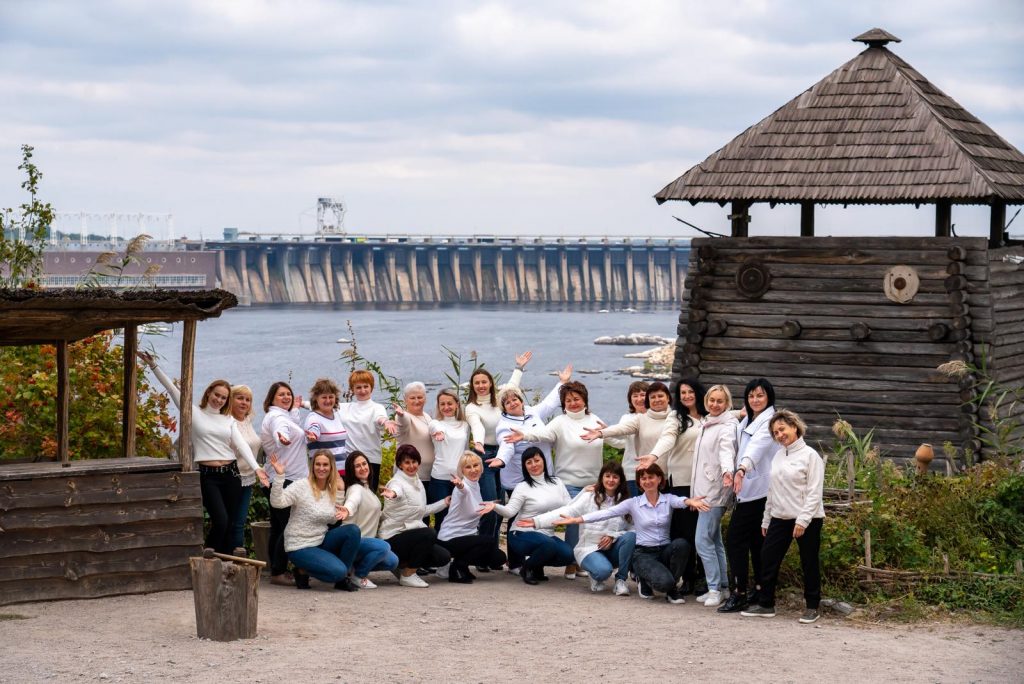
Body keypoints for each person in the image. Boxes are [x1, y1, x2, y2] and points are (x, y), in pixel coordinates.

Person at [138, 352, 268, 555]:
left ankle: (224, 562)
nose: (219, 400)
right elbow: (172, 389)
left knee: (231, 522)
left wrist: (257, 468)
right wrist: (153, 365)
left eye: (223, 398)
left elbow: (241, 445)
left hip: (231, 473)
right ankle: (207, 556)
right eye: (217, 395)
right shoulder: (193, 412)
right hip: (209, 476)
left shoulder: (228, 420)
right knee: (221, 520)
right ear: (208, 393)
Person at [552, 463, 709, 604]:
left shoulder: (668, 499)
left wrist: (690, 501)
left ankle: (671, 588)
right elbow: (606, 513)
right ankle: (646, 579)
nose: (647, 481)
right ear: (639, 482)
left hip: (664, 550)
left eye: (651, 477)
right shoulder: (633, 503)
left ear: (659, 479)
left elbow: (681, 501)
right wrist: (577, 519)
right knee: (663, 582)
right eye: (643, 478)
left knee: (682, 544)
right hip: (644, 554)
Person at [504, 380, 614, 579]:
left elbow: (614, 439)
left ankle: (584, 560)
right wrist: (524, 435)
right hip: (569, 481)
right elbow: (542, 434)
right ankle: (571, 563)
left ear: (585, 400)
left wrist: (609, 432)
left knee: (590, 523)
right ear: (563, 404)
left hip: (594, 483)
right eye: (568, 400)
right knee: (573, 523)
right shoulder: (560, 422)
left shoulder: (594, 420)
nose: (573, 403)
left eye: (576, 399)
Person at [742, 409, 825, 624]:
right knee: (767, 558)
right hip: (780, 517)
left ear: (794, 427)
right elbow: (772, 490)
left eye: (782, 429)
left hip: (808, 518)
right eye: (775, 433)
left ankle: (812, 606)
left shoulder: (810, 456)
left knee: (809, 562)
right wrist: (766, 519)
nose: (779, 435)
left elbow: (814, 492)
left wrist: (803, 520)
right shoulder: (778, 455)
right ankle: (766, 604)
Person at [491, 364, 570, 570]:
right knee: (517, 516)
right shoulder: (504, 425)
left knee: (537, 514)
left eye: (515, 399)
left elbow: (550, 403)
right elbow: (507, 446)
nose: (512, 403)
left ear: (521, 399)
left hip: (541, 474)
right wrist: (501, 460)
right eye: (507, 402)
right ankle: (515, 563)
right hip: (518, 478)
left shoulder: (532, 412)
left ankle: (537, 556)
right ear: (503, 407)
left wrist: (562, 383)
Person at [526, 462, 636, 595]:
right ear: (601, 478)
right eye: (607, 476)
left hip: (613, 549)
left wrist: (613, 536)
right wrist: (537, 521)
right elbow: (568, 510)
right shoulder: (590, 496)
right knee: (603, 572)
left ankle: (621, 581)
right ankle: (595, 573)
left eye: (615, 477)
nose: (611, 480)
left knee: (631, 537)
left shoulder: (626, 502)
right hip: (589, 549)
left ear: (620, 480)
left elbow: (633, 529)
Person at [464, 351, 530, 564]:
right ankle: (483, 555)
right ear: (472, 386)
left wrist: (519, 367)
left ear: (491, 383)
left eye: (484, 382)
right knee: (490, 506)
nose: (481, 386)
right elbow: (477, 426)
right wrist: (478, 442)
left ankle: (492, 553)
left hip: (504, 454)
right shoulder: (471, 407)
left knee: (500, 507)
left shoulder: (499, 399)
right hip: (484, 455)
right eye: (477, 383)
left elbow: (513, 385)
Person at [719, 378, 777, 613]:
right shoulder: (748, 419)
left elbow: (757, 448)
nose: (755, 400)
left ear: (769, 397)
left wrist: (742, 468)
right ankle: (760, 588)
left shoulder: (769, 421)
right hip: (747, 490)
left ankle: (740, 592)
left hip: (758, 490)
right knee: (755, 541)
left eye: (760, 395)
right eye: (751, 396)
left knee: (735, 540)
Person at [644, 377, 707, 593]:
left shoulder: (710, 416)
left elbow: (729, 417)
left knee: (705, 532)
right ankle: (689, 577)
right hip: (682, 481)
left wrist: (741, 413)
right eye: (683, 393)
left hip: (706, 482)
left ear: (698, 393)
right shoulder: (676, 417)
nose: (687, 396)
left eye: (690, 392)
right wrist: (654, 455)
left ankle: (706, 577)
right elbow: (668, 438)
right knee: (686, 533)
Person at [268, 449, 361, 591]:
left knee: (353, 531)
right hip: (299, 546)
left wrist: (341, 491)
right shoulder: (302, 486)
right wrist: (280, 476)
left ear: (331, 468)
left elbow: (332, 520)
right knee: (338, 571)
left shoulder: (331, 489)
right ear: (312, 466)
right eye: (318, 464)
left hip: (320, 540)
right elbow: (277, 503)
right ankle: (302, 570)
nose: (321, 468)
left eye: (325, 465)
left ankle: (342, 580)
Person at [481, 447, 574, 585]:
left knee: (568, 555)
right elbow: (510, 511)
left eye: (537, 460)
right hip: (521, 533)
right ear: (524, 466)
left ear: (544, 461)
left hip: (547, 534)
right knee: (548, 544)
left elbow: (569, 507)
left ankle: (536, 566)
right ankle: (527, 568)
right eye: (529, 462)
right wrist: (494, 506)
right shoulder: (522, 486)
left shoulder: (557, 482)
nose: (534, 465)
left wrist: (585, 493)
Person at [689, 384, 738, 608]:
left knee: (702, 541)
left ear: (727, 403)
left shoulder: (726, 426)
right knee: (715, 540)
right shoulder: (707, 423)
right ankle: (724, 587)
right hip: (704, 491)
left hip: (715, 491)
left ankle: (714, 589)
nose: (715, 404)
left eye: (720, 401)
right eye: (712, 400)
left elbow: (727, 450)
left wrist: (728, 472)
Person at [260, 380, 313, 586]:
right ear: (272, 399)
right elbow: (280, 428)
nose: (286, 397)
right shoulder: (276, 417)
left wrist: (296, 409)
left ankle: (276, 570)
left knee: (278, 527)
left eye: (288, 394)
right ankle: (279, 571)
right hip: (284, 479)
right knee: (289, 526)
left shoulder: (284, 415)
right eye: (281, 394)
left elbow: (290, 423)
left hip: (281, 478)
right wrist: (280, 436)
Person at [378, 445, 452, 587]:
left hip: (409, 535)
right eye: (407, 462)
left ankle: (401, 567)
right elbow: (396, 491)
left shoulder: (416, 481)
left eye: (414, 462)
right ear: (400, 465)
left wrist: (444, 503)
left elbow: (421, 511)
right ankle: (408, 575)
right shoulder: (396, 482)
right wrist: (393, 494)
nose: (411, 466)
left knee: (443, 556)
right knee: (429, 533)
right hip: (392, 536)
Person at [584, 381, 669, 497]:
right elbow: (622, 442)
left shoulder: (660, 418)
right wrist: (605, 434)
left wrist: (606, 432)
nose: (639, 399)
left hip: (658, 471)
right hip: (631, 471)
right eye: (635, 396)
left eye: (643, 395)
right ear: (630, 399)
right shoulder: (627, 418)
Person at [436, 451, 508, 583]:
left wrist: (492, 504)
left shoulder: (476, 485)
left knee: (499, 557)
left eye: (476, 465)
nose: (473, 470)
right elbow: (464, 491)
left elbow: (472, 502)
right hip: (449, 538)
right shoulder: (463, 487)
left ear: (481, 467)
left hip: (466, 538)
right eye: (468, 467)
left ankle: (461, 566)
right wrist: (460, 486)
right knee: (488, 541)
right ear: (462, 471)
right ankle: (457, 568)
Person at [338, 451, 399, 589]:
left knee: (393, 561)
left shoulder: (367, 489)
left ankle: (354, 567)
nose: (362, 468)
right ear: (351, 470)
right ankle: (358, 576)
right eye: (357, 466)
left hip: (367, 542)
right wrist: (347, 509)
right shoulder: (355, 488)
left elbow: (375, 514)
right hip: (354, 542)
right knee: (384, 547)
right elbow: (353, 501)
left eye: (364, 464)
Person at [337, 369, 398, 491]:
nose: (363, 390)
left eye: (366, 386)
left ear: (371, 387)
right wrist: (302, 404)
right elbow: (323, 405)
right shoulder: (344, 408)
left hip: (370, 460)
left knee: (368, 497)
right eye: (358, 387)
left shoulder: (377, 408)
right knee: (349, 495)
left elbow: (380, 418)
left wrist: (386, 422)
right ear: (352, 389)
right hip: (349, 461)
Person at [225, 384, 263, 555]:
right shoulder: (227, 422)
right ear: (231, 400)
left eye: (248, 400)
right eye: (240, 398)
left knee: (240, 522)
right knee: (229, 520)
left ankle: (237, 556)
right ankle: (226, 555)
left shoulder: (247, 421)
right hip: (231, 477)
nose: (244, 402)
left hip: (247, 477)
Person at [426, 387, 470, 531]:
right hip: (440, 479)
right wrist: (439, 433)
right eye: (442, 404)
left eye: (449, 403)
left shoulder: (465, 425)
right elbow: (435, 427)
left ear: (457, 404)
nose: (446, 407)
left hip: (460, 479)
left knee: (459, 518)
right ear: (438, 406)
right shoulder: (435, 423)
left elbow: (466, 451)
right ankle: (440, 545)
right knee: (442, 519)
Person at [304, 378, 349, 475]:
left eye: (331, 397)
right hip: (324, 473)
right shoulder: (314, 418)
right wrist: (313, 435)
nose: (328, 400)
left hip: (342, 470)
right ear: (316, 398)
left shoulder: (336, 415)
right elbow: (314, 428)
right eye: (324, 397)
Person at [393, 381, 434, 484]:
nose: (416, 401)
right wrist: (401, 415)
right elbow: (403, 424)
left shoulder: (427, 416)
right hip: (410, 475)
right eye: (412, 398)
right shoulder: (403, 416)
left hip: (430, 475)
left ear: (425, 398)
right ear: (405, 400)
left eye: (420, 397)